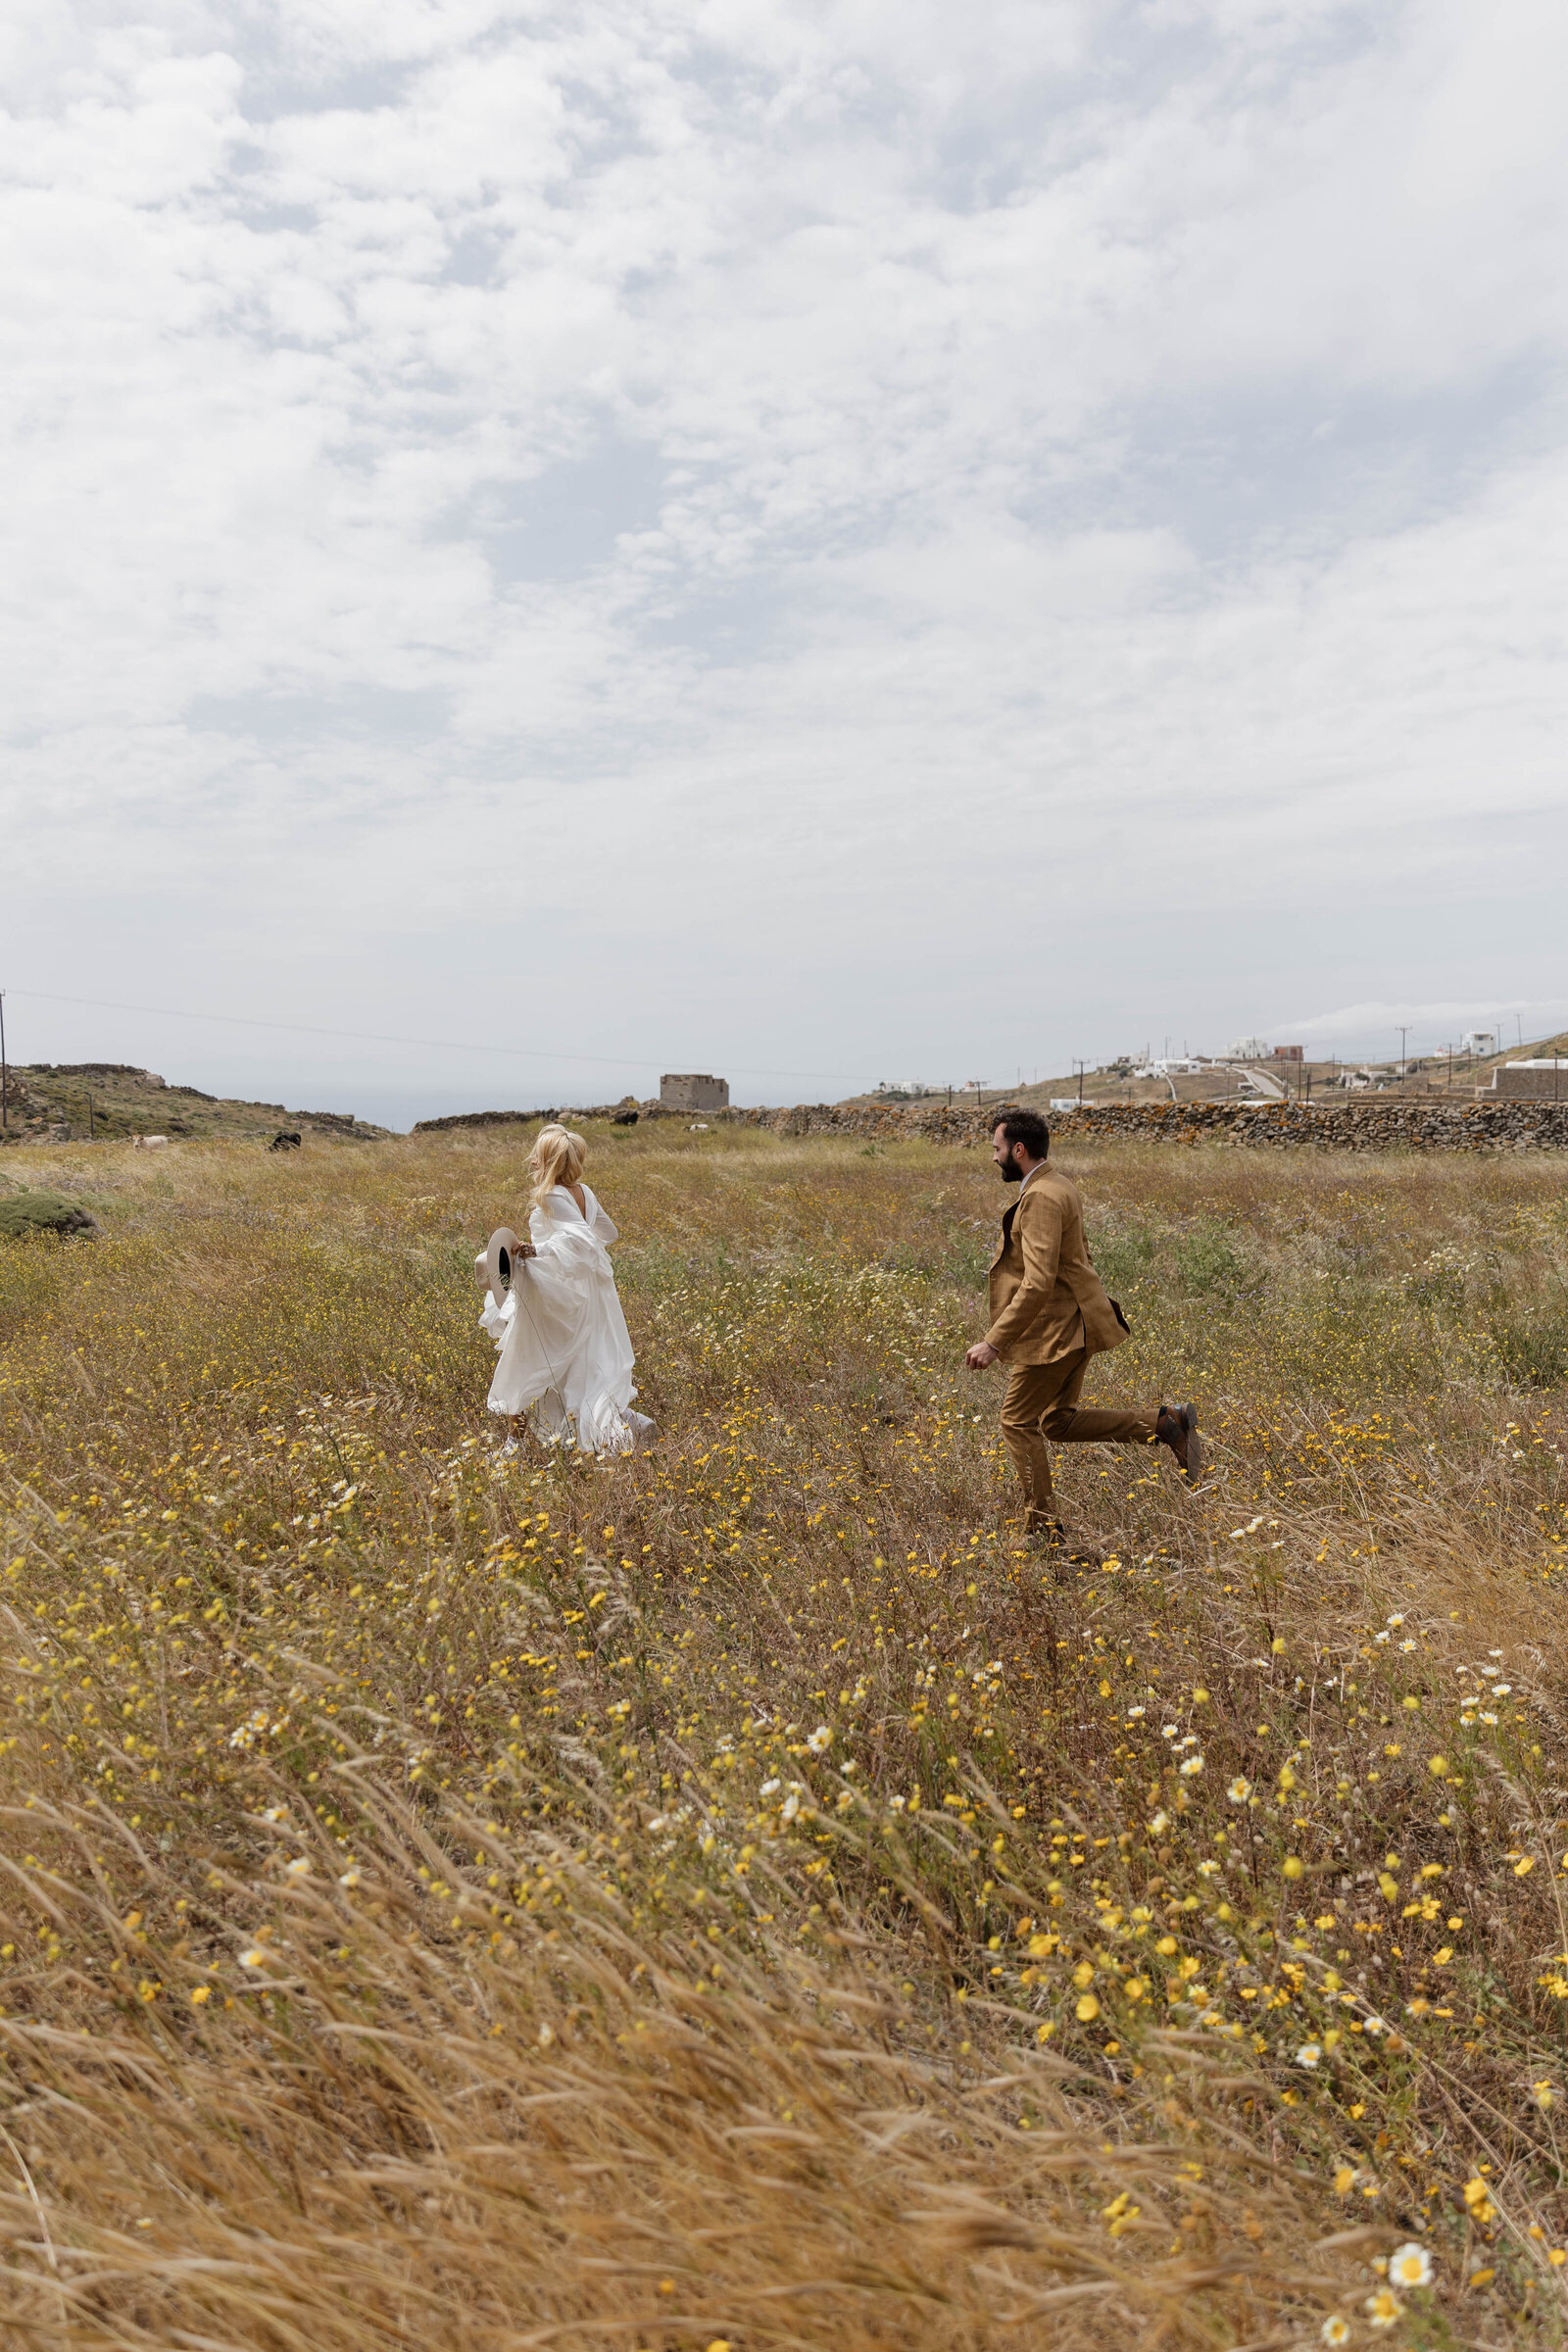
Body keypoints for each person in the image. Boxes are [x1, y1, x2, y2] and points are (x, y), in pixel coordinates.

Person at [964, 1107, 1200, 1547]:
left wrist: (994, 1342)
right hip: (1076, 1324)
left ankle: (1043, 1530)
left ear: (1018, 1149)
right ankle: (1166, 1424)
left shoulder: (1040, 1197)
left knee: (1017, 1422)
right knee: (1056, 1422)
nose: (993, 1158)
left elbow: (1037, 1282)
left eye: (996, 1148)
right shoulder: (1058, 1184)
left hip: (1057, 1332)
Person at [477, 1124, 655, 1456]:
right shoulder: (585, 1192)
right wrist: (573, 1257)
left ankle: (515, 1443)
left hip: (555, 1290)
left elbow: (581, 1238)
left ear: (547, 1160)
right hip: (586, 1290)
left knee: (525, 1356)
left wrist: (540, 1251)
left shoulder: (552, 1195)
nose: (531, 1159)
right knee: (582, 1362)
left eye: (537, 1154)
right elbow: (608, 1232)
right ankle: (623, 1420)